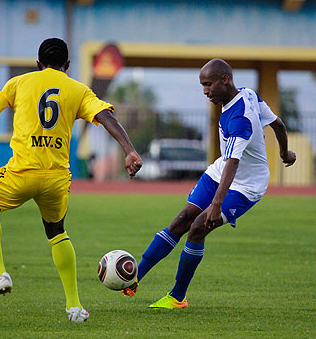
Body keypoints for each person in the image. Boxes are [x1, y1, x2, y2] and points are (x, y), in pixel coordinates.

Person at [0, 38, 142, 322]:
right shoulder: (78, 90)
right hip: (56, 179)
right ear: (67, 65)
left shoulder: (18, 83)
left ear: (38, 64)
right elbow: (106, 118)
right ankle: (74, 307)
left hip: (21, 173)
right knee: (56, 232)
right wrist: (129, 150)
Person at [122, 58, 296, 309]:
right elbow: (277, 124)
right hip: (220, 171)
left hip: (246, 185)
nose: (205, 91)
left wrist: (216, 204)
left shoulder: (240, 119)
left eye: (208, 85)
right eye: (202, 85)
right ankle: (135, 277)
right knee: (182, 219)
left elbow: (234, 163)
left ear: (225, 80)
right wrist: (284, 153)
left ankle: (177, 297)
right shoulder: (248, 94)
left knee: (197, 228)